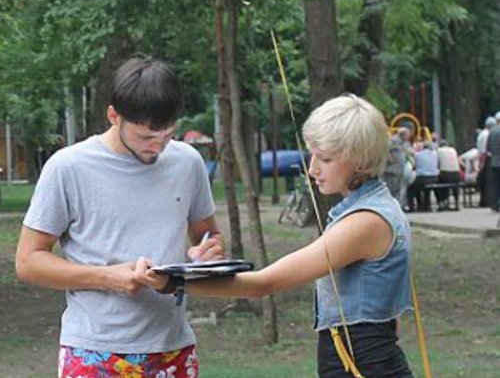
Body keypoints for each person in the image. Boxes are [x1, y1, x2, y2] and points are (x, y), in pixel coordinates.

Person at [137, 94, 415, 378]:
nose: (312, 168)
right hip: (361, 360)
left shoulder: (365, 222)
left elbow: (263, 284)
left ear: (359, 161)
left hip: (365, 365)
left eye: (326, 158)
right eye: (312, 154)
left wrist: (172, 282)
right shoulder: (373, 207)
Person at [16, 57, 224, 378]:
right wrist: (106, 277)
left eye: (167, 135)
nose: (157, 147)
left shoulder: (188, 162)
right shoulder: (68, 167)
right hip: (94, 350)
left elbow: (208, 236)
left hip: (173, 348)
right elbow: (28, 261)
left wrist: (207, 252)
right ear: (114, 115)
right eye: (145, 137)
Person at [407, 142, 439, 212]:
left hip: (422, 178)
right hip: (434, 178)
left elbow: (414, 165)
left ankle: (413, 207)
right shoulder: (435, 154)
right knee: (425, 190)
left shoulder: (418, 155)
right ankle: (426, 206)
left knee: (410, 188)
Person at [436, 140, 460, 210]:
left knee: (440, 185)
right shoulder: (453, 150)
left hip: (445, 173)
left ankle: (443, 202)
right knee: (455, 187)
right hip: (456, 173)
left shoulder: (438, 151)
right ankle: (456, 203)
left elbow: (437, 163)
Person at [477, 116, 496, 207]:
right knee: (488, 181)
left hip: (483, 158)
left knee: (485, 181)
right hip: (487, 158)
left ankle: (484, 200)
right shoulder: (487, 134)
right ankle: (487, 201)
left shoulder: (482, 134)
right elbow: (486, 150)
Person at [486, 111, 500, 212]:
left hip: (493, 161)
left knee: (494, 185)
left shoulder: (492, 131)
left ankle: (494, 205)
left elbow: (488, 147)